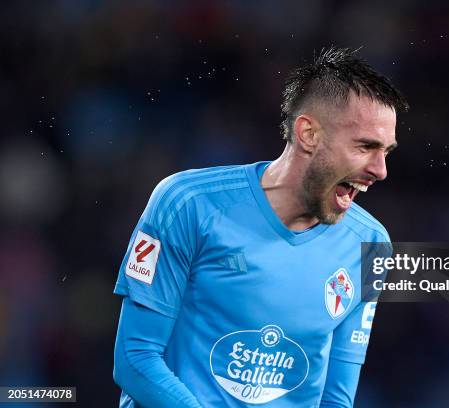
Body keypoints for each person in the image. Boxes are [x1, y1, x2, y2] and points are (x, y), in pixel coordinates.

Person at [112, 46, 407, 407]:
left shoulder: (371, 243)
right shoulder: (189, 204)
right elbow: (135, 360)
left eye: (386, 152)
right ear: (308, 134)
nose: (380, 170)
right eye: (365, 147)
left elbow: (336, 398)